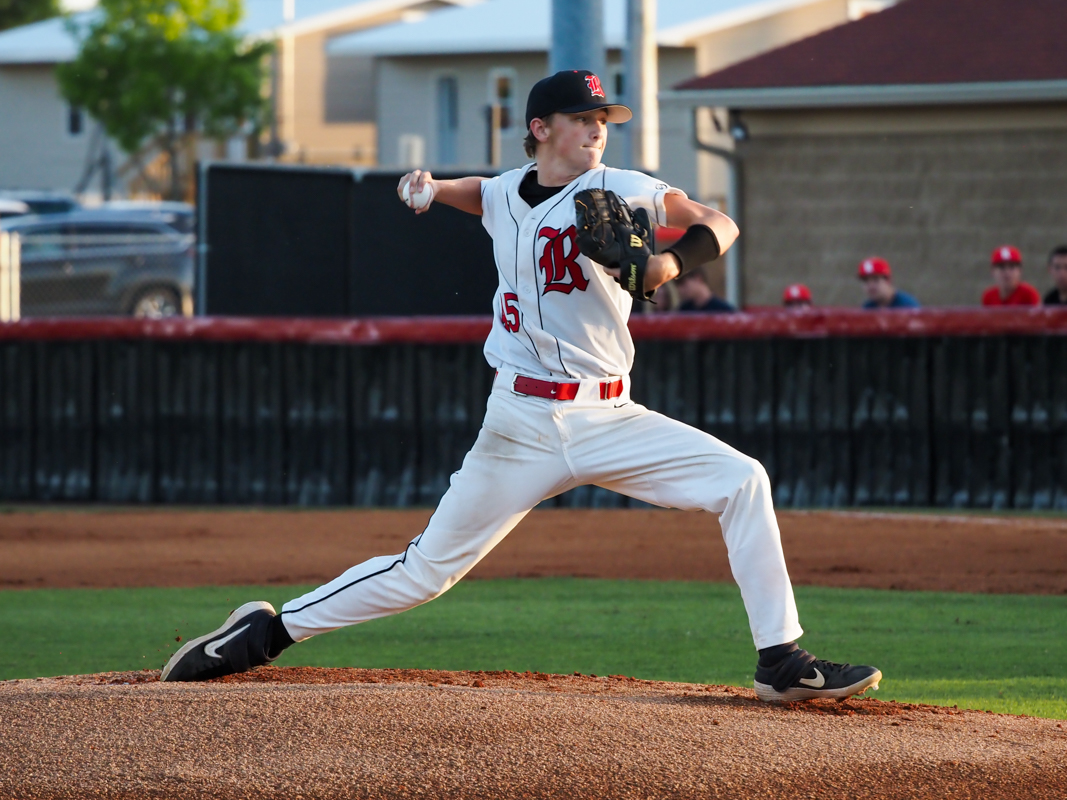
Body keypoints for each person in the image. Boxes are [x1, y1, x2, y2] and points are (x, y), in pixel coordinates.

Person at [162, 69, 881, 703]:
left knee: (742, 480)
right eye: (583, 118)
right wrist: (431, 188)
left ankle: (780, 660)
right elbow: (483, 193)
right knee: (424, 573)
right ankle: (266, 632)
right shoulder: (507, 192)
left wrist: (666, 265)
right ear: (540, 128)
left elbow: (718, 221)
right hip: (520, 422)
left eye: (603, 120)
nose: (597, 130)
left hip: (611, 416)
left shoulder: (622, 187)